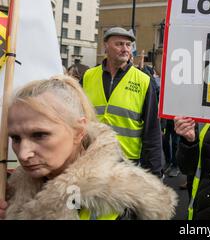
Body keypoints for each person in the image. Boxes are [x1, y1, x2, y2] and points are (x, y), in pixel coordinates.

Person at [0, 75, 177, 220]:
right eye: (15, 138)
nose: (23, 154)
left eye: (39, 135)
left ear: (79, 131)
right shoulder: (13, 189)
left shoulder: (118, 201)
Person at [81, 27, 162, 177]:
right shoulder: (88, 76)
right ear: (105, 46)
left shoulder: (143, 80)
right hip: (91, 157)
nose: (125, 49)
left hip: (126, 162)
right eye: (119, 44)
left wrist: (155, 172)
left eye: (128, 45)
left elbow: (152, 130)